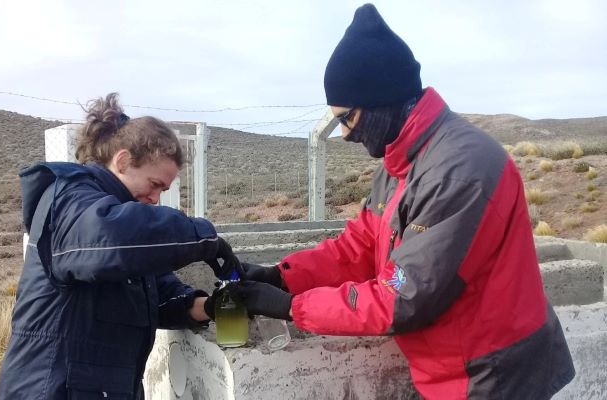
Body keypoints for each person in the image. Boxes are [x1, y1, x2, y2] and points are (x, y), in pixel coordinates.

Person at [230, 4, 575, 399]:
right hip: (452, 364)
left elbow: (403, 296)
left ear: (382, 99)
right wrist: (284, 276)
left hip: (493, 373)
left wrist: (294, 307)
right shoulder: (401, 161)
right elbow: (357, 246)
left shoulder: (458, 169)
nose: (344, 134)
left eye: (348, 118)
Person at [0, 93, 236, 399]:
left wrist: (215, 306)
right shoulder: (70, 199)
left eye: (163, 190)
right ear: (123, 161)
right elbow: (112, 237)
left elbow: (160, 298)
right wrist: (206, 239)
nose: (156, 199)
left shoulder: (129, 237)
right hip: (49, 389)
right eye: (154, 185)